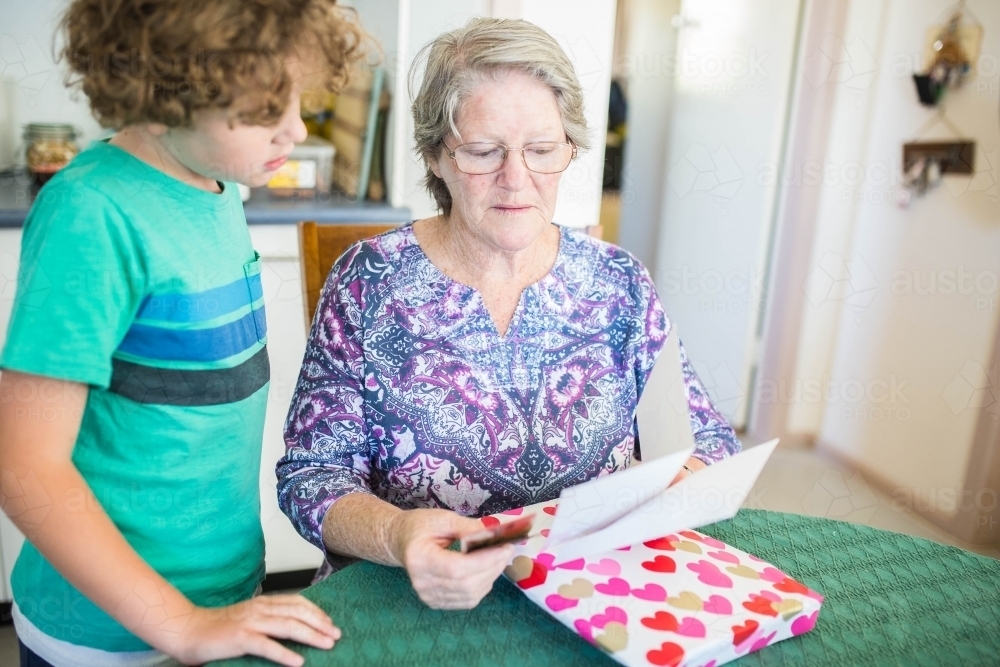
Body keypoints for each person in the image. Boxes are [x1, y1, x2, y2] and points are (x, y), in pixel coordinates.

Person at [278, 17, 741, 612]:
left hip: (584, 600)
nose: (516, 179)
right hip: (409, 599)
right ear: (435, 157)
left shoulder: (618, 282)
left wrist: (685, 478)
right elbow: (312, 477)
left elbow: (707, 439)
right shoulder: (367, 281)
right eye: (482, 151)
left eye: (543, 151)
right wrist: (397, 535)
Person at [0, 1, 365, 665]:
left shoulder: (217, 184)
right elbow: (25, 466)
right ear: (171, 85)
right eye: (263, 109)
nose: (293, 128)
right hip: (112, 633)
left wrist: (209, 617)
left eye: (295, 101)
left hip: (223, 598)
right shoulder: (91, 213)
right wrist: (182, 625)